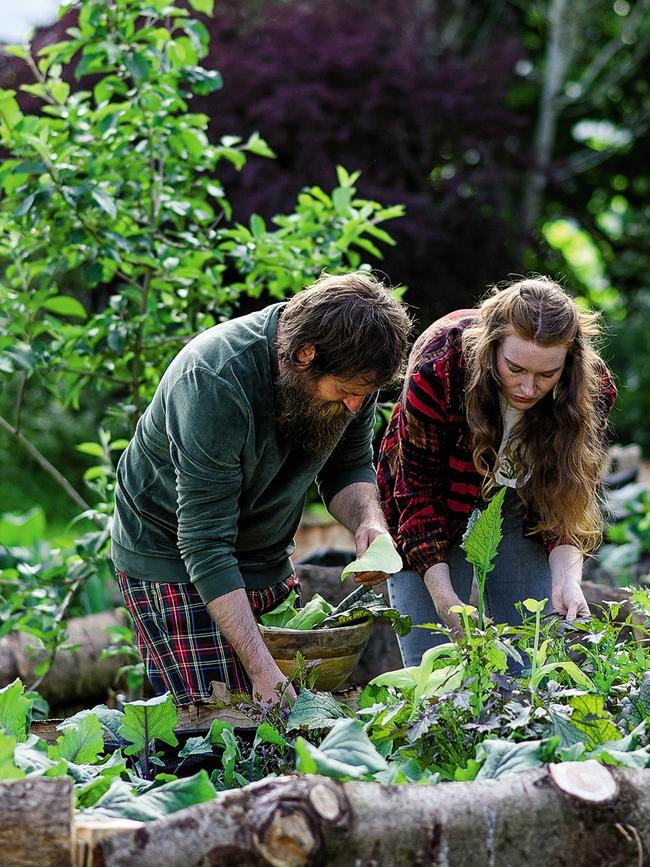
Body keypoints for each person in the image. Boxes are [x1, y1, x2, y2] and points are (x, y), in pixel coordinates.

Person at [111, 272, 412, 704]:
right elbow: (205, 543)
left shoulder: (353, 383)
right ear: (304, 354)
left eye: (364, 394)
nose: (354, 405)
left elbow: (348, 468)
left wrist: (369, 523)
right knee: (219, 722)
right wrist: (261, 669)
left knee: (287, 720)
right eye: (346, 392)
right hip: (172, 558)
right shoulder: (213, 380)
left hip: (264, 554)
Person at [377, 277, 617, 666]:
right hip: (431, 505)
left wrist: (568, 581)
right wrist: (446, 601)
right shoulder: (439, 368)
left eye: (546, 375)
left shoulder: (591, 389)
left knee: (529, 664)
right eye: (515, 368)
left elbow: (566, 500)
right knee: (436, 673)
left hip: (518, 507)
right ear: (492, 347)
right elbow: (415, 494)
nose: (527, 387)